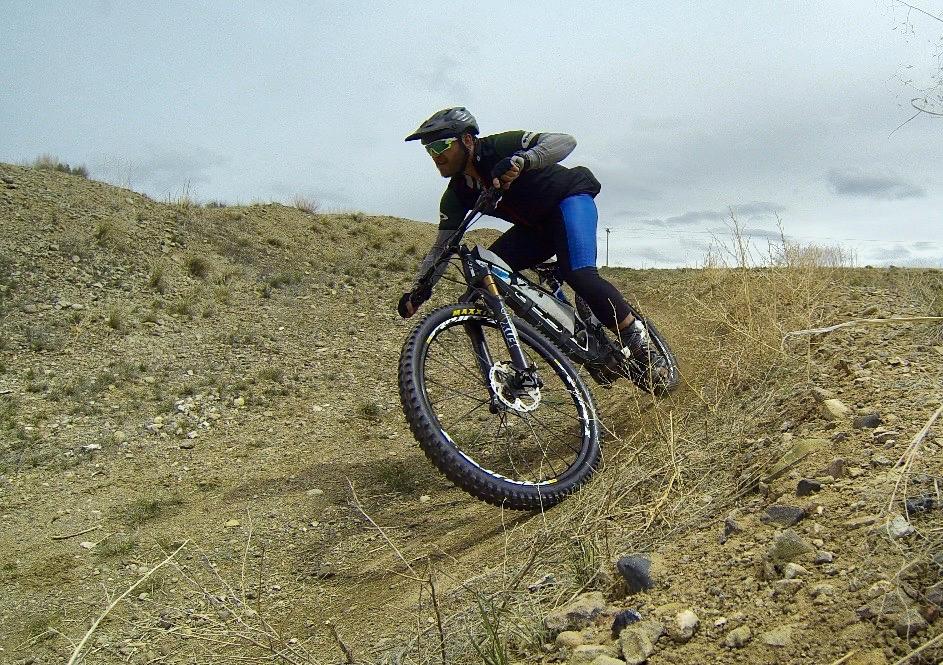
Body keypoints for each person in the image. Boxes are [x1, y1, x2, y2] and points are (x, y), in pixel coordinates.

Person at [397, 106, 665, 382]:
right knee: (484, 273)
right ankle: (581, 344)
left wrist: (523, 161)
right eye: (429, 150)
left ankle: (638, 342)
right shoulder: (456, 194)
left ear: (467, 140)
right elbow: (441, 247)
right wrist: (420, 289)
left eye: (441, 145)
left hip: (569, 200)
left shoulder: (497, 147)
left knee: (579, 274)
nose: (436, 156)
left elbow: (565, 141)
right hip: (535, 230)